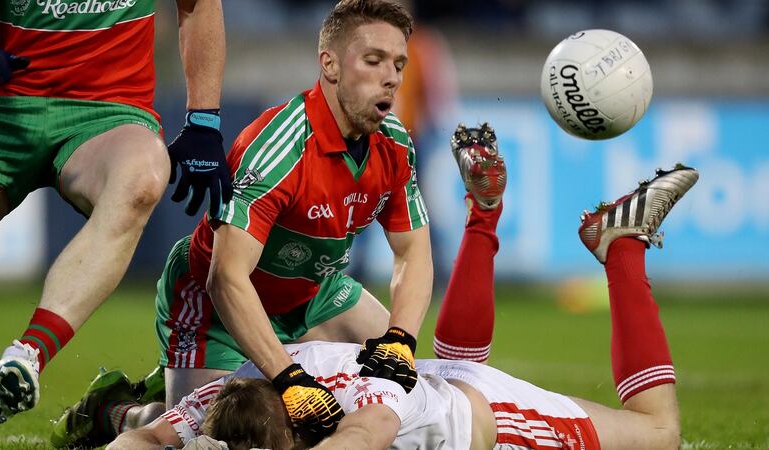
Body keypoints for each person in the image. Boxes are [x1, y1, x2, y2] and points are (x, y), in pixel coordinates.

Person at [107, 123, 698, 450]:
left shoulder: (362, 407)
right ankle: (484, 216)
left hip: (487, 417)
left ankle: (619, 248)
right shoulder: (221, 402)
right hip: (423, 379)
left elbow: (366, 435)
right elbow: (156, 439)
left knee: (659, 436)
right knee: (454, 364)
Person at [50, 0, 432, 447]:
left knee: (398, 381)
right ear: (329, 64)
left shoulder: (394, 143)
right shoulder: (281, 147)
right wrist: (289, 378)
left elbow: (412, 252)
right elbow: (226, 277)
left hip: (314, 292)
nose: (391, 77)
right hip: (217, 307)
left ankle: (178, 385)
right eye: (374, 60)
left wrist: (402, 339)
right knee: (230, 432)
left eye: (399, 64)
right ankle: (117, 411)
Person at [0, 0, 232, 424]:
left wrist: (203, 119)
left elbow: (198, 5)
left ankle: (29, 354)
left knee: (143, 176)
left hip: (108, 110)